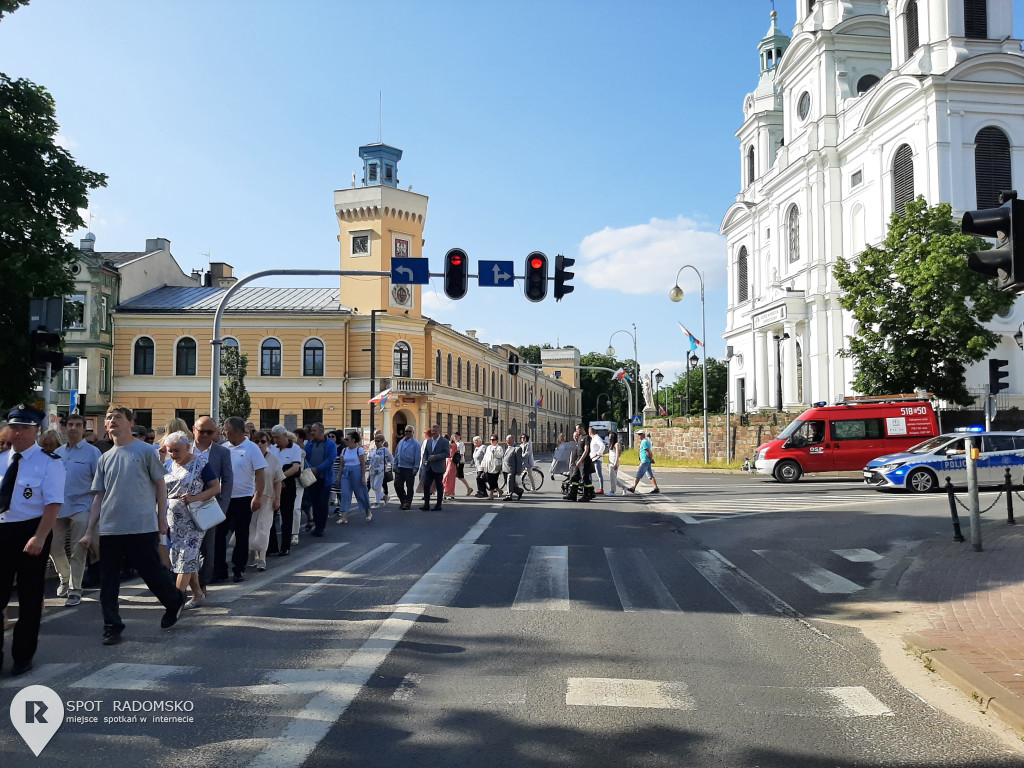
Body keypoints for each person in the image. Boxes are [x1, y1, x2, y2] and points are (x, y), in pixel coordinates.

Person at [79, 406, 186, 646]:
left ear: (130, 422)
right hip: (110, 528)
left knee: (150, 572)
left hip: (141, 525)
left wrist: (161, 518)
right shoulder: (105, 457)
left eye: (117, 417)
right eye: (109, 418)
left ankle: (173, 600)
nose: (112, 421)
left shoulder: (146, 451)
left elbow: (160, 486)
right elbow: (99, 496)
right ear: (105, 427)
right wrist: (89, 531)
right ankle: (112, 627)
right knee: (108, 580)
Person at [0, 406, 63, 675]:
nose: (18, 432)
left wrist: (40, 535)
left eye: (24, 428)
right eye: (14, 427)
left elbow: (52, 504)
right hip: (2, 530)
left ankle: (23, 656)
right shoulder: (2, 459)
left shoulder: (49, 462)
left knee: (29, 596)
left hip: (30, 531)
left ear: (36, 431)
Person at [163, 431, 220, 609]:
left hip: (194, 519)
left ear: (187, 448)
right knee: (181, 558)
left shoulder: (201, 464)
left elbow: (215, 487)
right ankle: (197, 593)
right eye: (170, 451)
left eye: (177, 451)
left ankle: (176, 602)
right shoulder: (167, 465)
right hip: (173, 520)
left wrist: (196, 497)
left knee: (185, 557)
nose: (173, 455)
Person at [52, 413, 100, 607]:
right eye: (70, 424)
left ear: (84, 428)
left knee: (78, 549)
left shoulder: (92, 452)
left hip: (83, 505)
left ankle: (75, 589)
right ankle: (64, 578)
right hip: (58, 505)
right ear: (64, 427)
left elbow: (100, 483)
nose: (73, 428)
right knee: (53, 547)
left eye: (77, 425)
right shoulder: (58, 452)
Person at [217, 416, 267, 582]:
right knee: (219, 534)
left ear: (235, 431)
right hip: (223, 499)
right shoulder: (224, 448)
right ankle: (220, 569)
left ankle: (239, 568)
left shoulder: (251, 448)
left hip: (244, 498)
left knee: (241, 534)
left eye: (226, 429)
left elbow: (260, 474)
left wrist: (257, 496)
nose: (224, 432)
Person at [192, 416, 233, 591]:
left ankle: (202, 583)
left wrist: (222, 507)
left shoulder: (222, 452)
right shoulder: (184, 448)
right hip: (184, 505)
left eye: (210, 432)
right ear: (194, 430)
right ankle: (186, 583)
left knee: (208, 550)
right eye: (202, 432)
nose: (206, 435)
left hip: (209, 506)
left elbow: (228, 480)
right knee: (185, 548)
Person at [248, 431, 283, 570]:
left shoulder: (273, 459)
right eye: (256, 441)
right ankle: (252, 554)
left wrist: (277, 499)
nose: (260, 444)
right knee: (251, 526)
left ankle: (262, 557)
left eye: (263, 441)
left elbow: (278, 480)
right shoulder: (249, 457)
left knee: (264, 527)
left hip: (267, 497)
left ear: (268, 443)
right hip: (250, 497)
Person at [269, 425, 302, 555]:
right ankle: (272, 547)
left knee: (286, 515)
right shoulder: (272, 448)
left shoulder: (295, 448)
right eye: (274, 437)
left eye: (277, 437)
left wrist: (281, 477)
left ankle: (285, 546)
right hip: (273, 484)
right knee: (270, 516)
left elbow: (295, 468)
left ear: (284, 436)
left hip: (287, 485)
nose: (275, 440)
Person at [304, 422, 337, 537]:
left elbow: (330, 460)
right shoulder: (309, 444)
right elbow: (305, 458)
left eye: (314, 430)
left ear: (321, 431)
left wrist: (317, 469)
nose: (312, 432)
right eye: (311, 430)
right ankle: (316, 524)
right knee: (315, 503)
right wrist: (309, 469)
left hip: (325, 479)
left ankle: (320, 527)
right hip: (312, 479)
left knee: (322, 503)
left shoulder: (330, 444)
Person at [336, 431, 372, 523]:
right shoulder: (344, 450)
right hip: (346, 473)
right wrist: (339, 477)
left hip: (356, 471)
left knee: (360, 493)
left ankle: (368, 512)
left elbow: (363, 464)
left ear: (353, 440)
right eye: (345, 439)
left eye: (347, 439)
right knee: (345, 494)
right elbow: (341, 464)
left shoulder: (359, 450)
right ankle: (344, 517)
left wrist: (363, 476)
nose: (345, 441)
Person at [420, 426, 450, 511]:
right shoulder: (429, 441)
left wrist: (436, 457)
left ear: (439, 431)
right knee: (426, 485)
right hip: (429, 466)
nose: (434, 432)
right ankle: (426, 505)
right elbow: (426, 452)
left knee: (439, 485)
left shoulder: (444, 441)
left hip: (438, 467)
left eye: (435, 431)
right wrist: (425, 459)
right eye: (433, 431)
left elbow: (447, 453)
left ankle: (438, 505)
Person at [393, 426, 420, 510]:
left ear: (413, 433)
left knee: (409, 486)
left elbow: (417, 457)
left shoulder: (416, 443)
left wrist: (416, 468)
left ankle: (408, 503)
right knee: (397, 485)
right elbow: (397, 454)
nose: (408, 433)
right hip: (400, 467)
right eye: (406, 431)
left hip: (410, 468)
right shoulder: (401, 442)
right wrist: (395, 465)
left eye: (409, 431)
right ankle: (403, 500)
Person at [367, 431, 394, 508]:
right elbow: (369, 459)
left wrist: (393, 466)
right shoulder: (372, 450)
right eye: (375, 440)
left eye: (378, 441)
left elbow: (391, 459)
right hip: (372, 470)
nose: (376, 442)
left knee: (377, 486)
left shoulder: (385, 450)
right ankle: (385, 497)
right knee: (372, 486)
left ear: (382, 441)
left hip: (380, 470)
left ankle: (377, 502)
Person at [566, 430, 594, 502]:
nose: (576, 437)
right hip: (577, 462)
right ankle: (573, 495)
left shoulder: (586, 438)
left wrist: (580, 460)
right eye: (574, 436)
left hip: (583, 461)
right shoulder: (576, 442)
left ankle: (587, 495)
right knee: (574, 478)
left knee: (585, 478)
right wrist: (571, 462)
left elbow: (586, 450)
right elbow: (572, 453)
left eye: (576, 435)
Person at [502, 434, 525, 501]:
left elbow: (519, 461)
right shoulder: (507, 447)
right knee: (509, 483)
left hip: (512, 469)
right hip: (505, 468)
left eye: (508, 440)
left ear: (512, 440)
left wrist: (518, 471)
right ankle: (519, 491)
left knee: (509, 482)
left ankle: (509, 496)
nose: (507, 441)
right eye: (506, 440)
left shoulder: (517, 448)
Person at [481, 434, 504, 500]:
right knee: (490, 480)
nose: (492, 441)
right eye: (491, 440)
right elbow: (485, 457)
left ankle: (491, 494)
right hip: (488, 466)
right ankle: (499, 490)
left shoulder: (499, 448)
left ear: (496, 440)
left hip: (495, 467)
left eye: (493, 440)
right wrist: (483, 464)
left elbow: (500, 456)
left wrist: (494, 453)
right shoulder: (488, 447)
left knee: (493, 480)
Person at [453, 432, 474, 497]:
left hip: (459, 462)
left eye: (456, 436)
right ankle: (451, 491)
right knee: (453, 476)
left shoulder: (461, 443)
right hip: (455, 461)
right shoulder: (455, 443)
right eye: (454, 437)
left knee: (460, 476)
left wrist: (459, 462)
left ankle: (469, 488)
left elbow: (461, 454)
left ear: (459, 436)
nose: (455, 438)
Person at [589, 427, 607, 494]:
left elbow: (602, 446)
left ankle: (601, 488)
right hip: (592, 459)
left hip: (597, 459)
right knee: (589, 473)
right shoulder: (593, 439)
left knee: (599, 474)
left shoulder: (597, 438)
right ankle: (589, 487)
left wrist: (598, 453)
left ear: (590, 432)